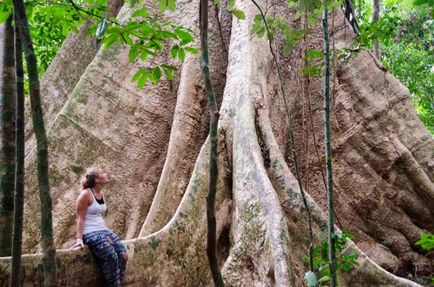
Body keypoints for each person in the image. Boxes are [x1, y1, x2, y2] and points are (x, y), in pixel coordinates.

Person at [71, 167, 128, 286]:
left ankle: (117, 283)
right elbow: (80, 218)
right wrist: (79, 239)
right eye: (103, 173)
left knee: (123, 254)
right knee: (111, 255)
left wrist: (107, 233)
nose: (106, 174)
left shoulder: (101, 193)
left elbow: (99, 215)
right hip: (90, 233)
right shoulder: (85, 195)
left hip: (102, 231)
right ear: (96, 179)